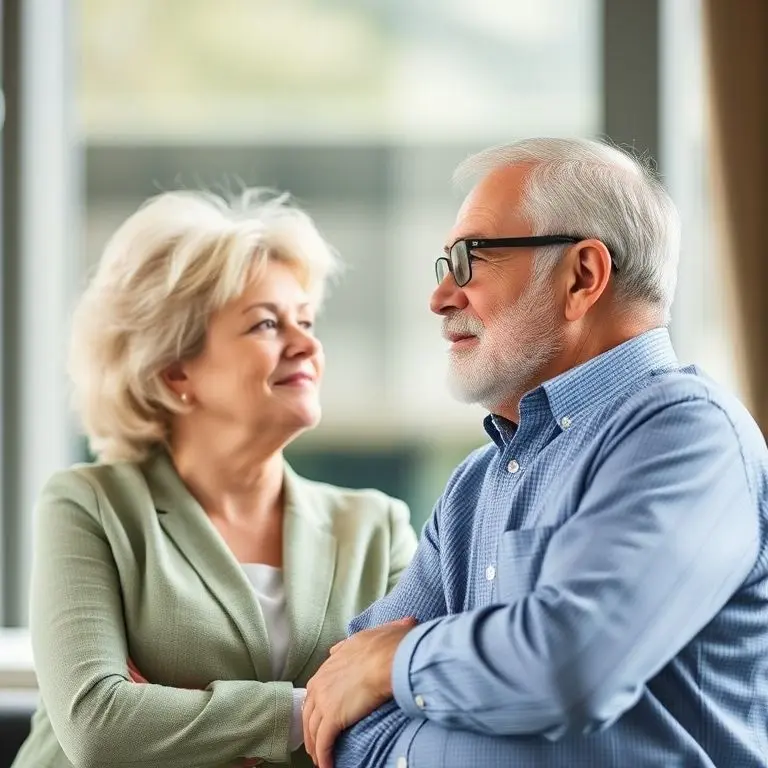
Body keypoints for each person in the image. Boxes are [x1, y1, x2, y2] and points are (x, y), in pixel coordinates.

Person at [302, 137, 768, 768]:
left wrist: (397, 663)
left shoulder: (688, 434)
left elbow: (572, 665)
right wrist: (423, 680)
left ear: (582, 276)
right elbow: (339, 712)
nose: (440, 299)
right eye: (443, 268)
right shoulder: (474, 485)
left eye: (470, 259)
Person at [11, 189, 418, 768]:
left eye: (305, 319)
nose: (307, 344)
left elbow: (413, 704)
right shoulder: (89, 505)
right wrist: (311, 710)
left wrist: (174, 714)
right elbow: (98, 727)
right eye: (266, 325)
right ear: (176, 370)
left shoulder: (377, 527)